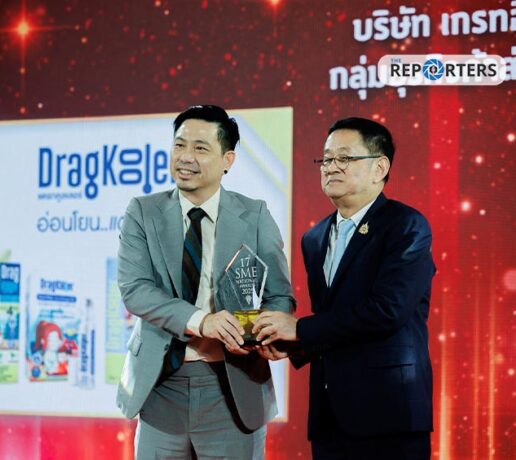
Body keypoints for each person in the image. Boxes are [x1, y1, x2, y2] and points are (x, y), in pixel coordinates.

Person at [116, 105, 295, 459]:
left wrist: (263, 333)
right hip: (160, 385)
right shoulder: (143, 212)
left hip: (232, 387)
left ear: (228, 160)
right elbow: (135, 290)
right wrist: (203, 321)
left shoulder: (254, 215)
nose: (185, 157)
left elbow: (279, 296)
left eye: (200, 148)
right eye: (179, 145)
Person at [253, 117, 435, 459]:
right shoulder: (314, 238)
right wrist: (294, 345)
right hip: (330, 417)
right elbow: (334, 319)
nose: (331, 167)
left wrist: (300, 329)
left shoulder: (406, 225)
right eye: (326, 159)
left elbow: (388, 310)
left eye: (345, 158)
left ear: (379, 167)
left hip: (389, 413)